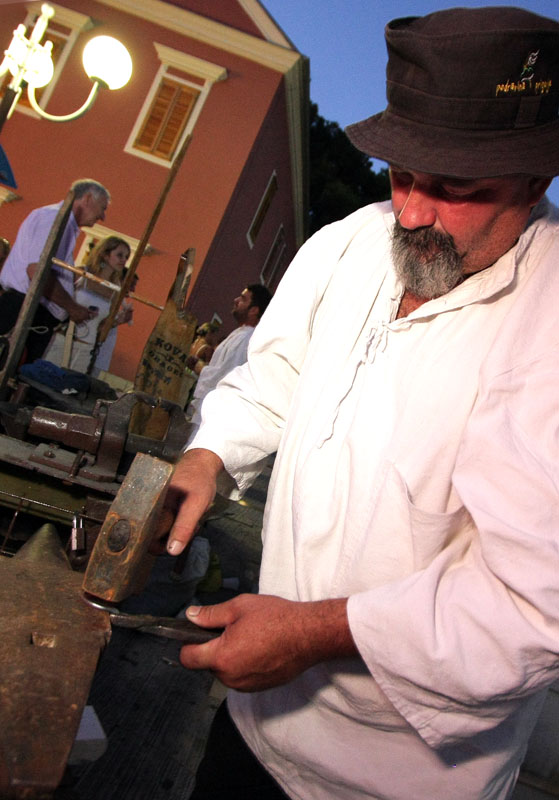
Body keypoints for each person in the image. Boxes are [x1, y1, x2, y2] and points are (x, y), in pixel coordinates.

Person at [157, 8, 559, 800]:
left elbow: (530, 607)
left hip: (393, 776)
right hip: (258, 720)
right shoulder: (346, 243)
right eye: (401, 173)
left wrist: (311, 634)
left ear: (534, 180)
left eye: (456, 189)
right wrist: (210, 455)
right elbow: (274, 378)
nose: (410, 213)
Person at [0, 179, 110, 363]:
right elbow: (37, 271)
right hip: (25, 312)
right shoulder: (55, 218)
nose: (103, 216)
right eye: (103, 207)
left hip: (33, 315)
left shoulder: (64, 223)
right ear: (88, 198)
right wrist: (72, 307)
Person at [186, 284, 272, 426]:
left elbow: (227, 376)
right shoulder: (240, 333)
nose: (236, 300)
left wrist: (200, 367)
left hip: (215, 414)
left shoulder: (247, 339)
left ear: (254, 310)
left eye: (243, 299)